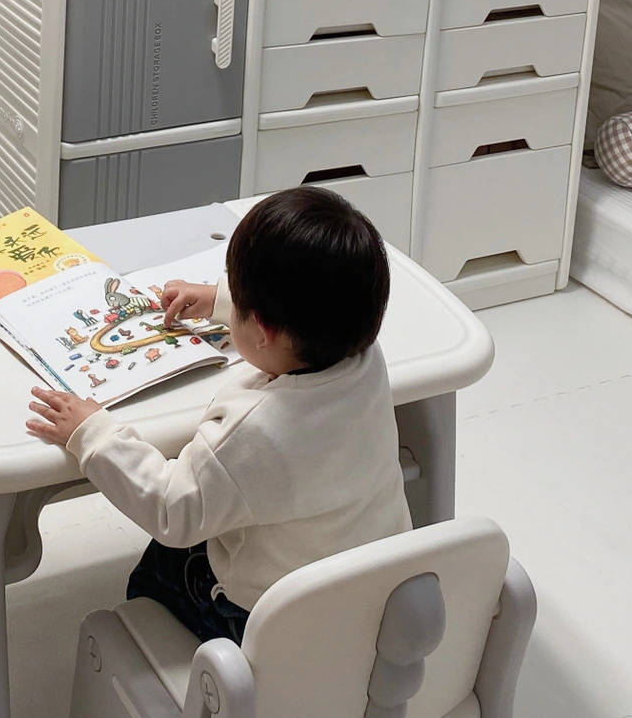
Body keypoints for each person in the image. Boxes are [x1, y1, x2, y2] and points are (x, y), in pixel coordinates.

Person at [25, 186, 410, 644]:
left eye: (239, 302)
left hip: (269, 621)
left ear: (263, 329)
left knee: (161, 562)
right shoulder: (363, 357)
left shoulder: (252, 432)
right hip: (368, 588)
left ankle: (147, 642)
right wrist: (222, 301)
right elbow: (309, 306)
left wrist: (93, 433)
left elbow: (172, 509)